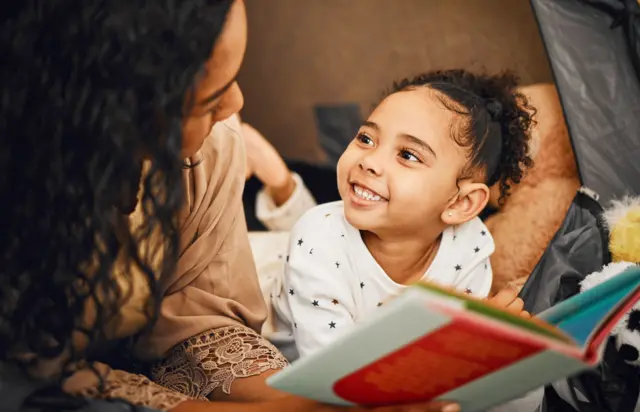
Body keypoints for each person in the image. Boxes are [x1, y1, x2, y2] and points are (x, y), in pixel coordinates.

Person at [0, 1, 460, 411]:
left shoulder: (212, 152)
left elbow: (200, 322)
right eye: (208, 99)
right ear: (109, 114)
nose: (236, 105)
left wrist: (315, 403)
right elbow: (25, 379)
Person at [270, 69, 535, 359]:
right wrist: (464, 340)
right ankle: (279, 183)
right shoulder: (318, 243)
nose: (369, 161)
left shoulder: (468, 247)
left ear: (461, 204)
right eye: (366, 139)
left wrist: (483, 335)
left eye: (407, 155)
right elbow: (334, 372)